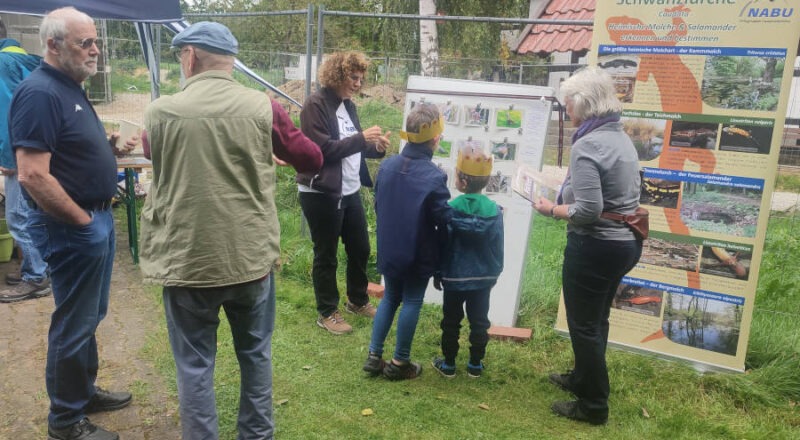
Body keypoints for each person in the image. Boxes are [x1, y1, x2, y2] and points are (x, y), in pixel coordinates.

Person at [139, 22, 322, 440]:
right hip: (249, 258)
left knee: (194, 364)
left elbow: (151, 149)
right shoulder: (263, 108)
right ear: (231, 61)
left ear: (190, 57)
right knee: (255, 354)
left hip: (187, 259)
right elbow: (310, 158)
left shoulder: (161, 111)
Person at [9, 7, 134, 440]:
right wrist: (82, 221)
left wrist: (109, 151)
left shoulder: (69, 88)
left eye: (95, 41)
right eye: (86, 43)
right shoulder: (41, 93)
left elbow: (67, 151)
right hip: (74, 225)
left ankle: (84, 391)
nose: (95, 50)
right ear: (53, 44)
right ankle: (65, 420)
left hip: (94, 218)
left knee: (90, 314)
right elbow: (31, 173)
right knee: (74, 322)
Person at [533, 66, 643, 425]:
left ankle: (593, 405)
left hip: (596, 246)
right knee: (597, 319)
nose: (566, 110)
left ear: (584, 104)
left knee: (584, 325)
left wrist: (552, 208)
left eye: (569, 103)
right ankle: (582, 377)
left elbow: (589, 211)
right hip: (624, 244)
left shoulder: (587, 144)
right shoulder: (619, 136)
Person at [296, 51, 390, 335]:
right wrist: (362, 139)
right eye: (353, 77)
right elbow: (321, 151)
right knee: (326, 254)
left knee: (360, 248)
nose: (358, 83)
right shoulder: (315, 106)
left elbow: (354, 146)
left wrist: (375, 147)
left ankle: (357, 301)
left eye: (361, 78)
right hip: (321, 192)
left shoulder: (348, 106)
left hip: (349, 190)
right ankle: (327, 313)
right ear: (336, 75)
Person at [362, 103, 452, 380]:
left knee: (390, 297)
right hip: (418, 252)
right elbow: (443, 218)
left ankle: (374, 355)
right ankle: (400, 362)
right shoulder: (435, 177)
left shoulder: (387, 166)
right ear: (435, 139)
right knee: (412, 299)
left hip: (389, 248)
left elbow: (379, 204)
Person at [432, 146, 503, 379]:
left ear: (461, 181)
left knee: (451, 321)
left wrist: (438, 272)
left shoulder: (450, 209)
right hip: (483, 278)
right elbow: (498, 245)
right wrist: (495, 272)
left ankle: (449, 364)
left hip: (454, 276)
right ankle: (475, 364)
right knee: (479, 321)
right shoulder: (494, 210)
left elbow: (441, 243)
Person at [0, 20, 51, 303]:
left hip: (19, 154)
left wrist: (9, 158)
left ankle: (36, 277)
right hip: (40, 149)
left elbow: (6, 114)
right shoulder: (29, 60)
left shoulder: (1, 64)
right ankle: (38, 267)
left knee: (18, 217)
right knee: (34, 214)